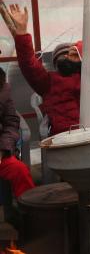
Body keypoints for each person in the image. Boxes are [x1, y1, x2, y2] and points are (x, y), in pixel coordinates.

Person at [1, 5, 90, 135]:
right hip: (67, 139)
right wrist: (22, 32)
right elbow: (28, 64)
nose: (66, 56)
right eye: (61, 56)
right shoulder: (48, 81)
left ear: (82, 58)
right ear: (55, 63)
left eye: (72, 54)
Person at [0, 68, 35, 198]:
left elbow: (11, 123)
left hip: (2, 152)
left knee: (19, 170)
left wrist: (3, 151)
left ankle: (31, 213)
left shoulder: (3, 88)